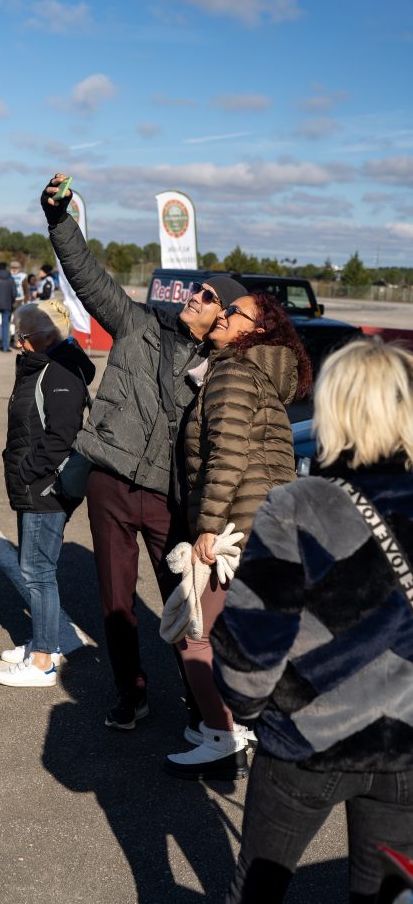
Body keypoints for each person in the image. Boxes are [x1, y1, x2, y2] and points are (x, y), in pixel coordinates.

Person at [212, 337, 413, 904]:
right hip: (406, 741)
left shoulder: (298, 505)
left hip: (308, 738)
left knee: (257, 894)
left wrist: (246, 710)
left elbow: (254, 645)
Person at [41, 173, 247, 730]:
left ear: (220, 318)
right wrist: (60, 222)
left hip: (165, 496)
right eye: (196, 289)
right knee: (115, 602)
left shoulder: (220, 370)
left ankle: (202, 704)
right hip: (108, 482)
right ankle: (131, 693)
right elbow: (89, 278)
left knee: (185, 604)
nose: (194, 296)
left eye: (207, 297)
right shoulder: (136, 327)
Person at [164, 293, 312, 780]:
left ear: (256, 329)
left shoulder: (232, 371)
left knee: (193, 635)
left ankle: (222, 737)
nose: (221, 314)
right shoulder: (264, 375)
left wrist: (208, 527)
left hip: (236, 530)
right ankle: (258, 728)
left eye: (233, 312)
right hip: (269, 527)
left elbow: (225, 453)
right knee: (247, 637)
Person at [0, 300, 96, 688]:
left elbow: (61, 435)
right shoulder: (44, 364)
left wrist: (28, 472)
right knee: (37, 569)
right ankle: (44, 641)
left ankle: (43, 662)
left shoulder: (60, 371)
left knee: (37, 572)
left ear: (47, 336)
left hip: (44, 488)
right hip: (35, 485)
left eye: (24, 337)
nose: (18, 343)